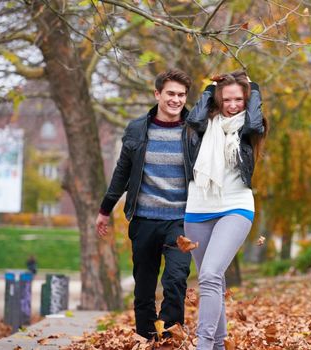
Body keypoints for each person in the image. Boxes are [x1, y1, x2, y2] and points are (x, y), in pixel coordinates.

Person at [95, 68, 193, 340]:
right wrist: (105, 210)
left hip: (181, 221)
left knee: (175, 281)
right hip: (144, 220)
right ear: (157, 94)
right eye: (171, 93)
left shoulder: (195, 130)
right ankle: (147, 338)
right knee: (144, 289)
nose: (176, 100)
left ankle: (170, 338)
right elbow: (122, 172)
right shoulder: (137, 128)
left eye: (182, 95)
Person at [184, 70, 267, 349]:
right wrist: (209, 88)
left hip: (236, 205)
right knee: (212, 281)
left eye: (239, 99)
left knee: (209, 274)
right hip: (197, 208)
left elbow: (255, 122)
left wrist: (253, 88)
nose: (233, 105)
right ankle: (217, 346)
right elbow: (193, 118)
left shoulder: (249, 126)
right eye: (227, 99)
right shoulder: (205, 124)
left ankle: (203, 344)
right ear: (218, 99)